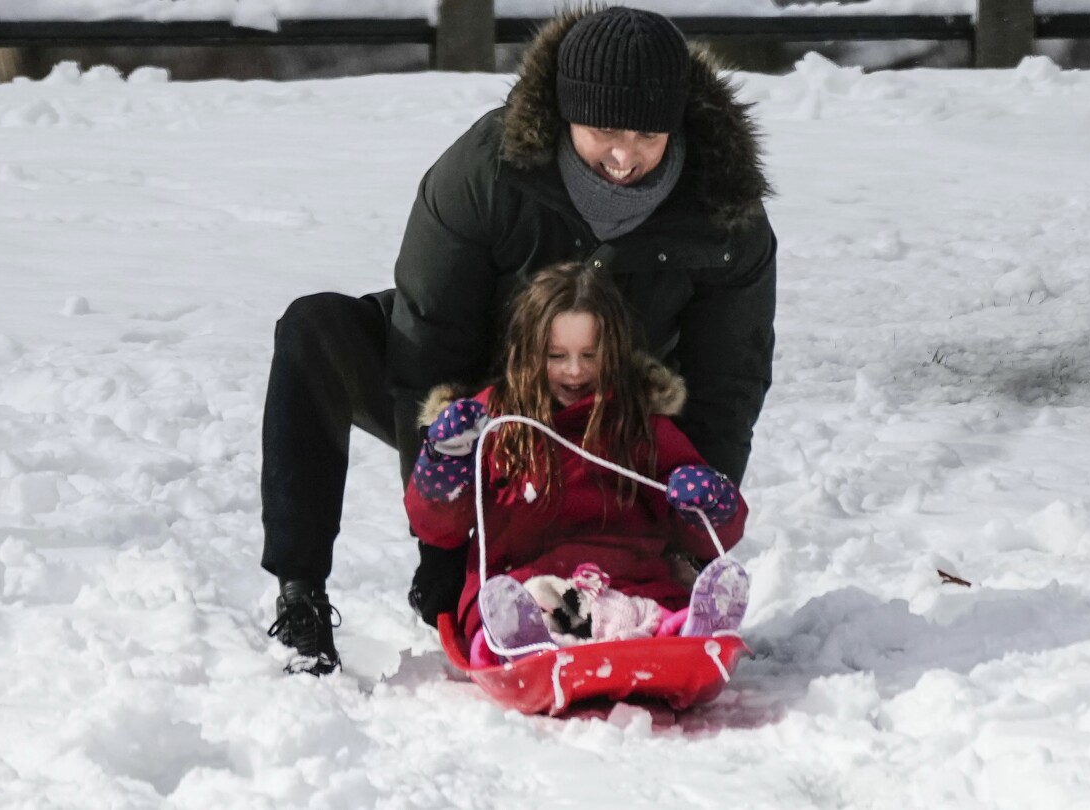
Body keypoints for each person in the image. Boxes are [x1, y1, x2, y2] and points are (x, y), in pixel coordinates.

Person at [261, 6, 775, 675]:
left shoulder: (724, 208)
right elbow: (430, 344)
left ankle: (642, 608)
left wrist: (696, 533)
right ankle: (301, 596)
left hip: (614, 412)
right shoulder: (486, 170)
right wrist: (441, 548)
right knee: (314, 330)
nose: (625, 156)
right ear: (565, 117)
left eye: (649, 135)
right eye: (603, 133)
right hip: (475, 389)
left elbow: (729, 379)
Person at [404, 262, 751, 661]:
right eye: (556, 355)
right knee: (522, 607)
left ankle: (689, 636)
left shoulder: (639, 424)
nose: (575, 370)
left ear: (615, 352)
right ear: (527, 353)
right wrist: (442, 468)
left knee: (649, 613)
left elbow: (709, 537)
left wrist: (710, 506)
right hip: (524, 584)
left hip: (629, 583)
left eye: (590, 355)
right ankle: (518, 646)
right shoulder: (494, 422)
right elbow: (437, 530)